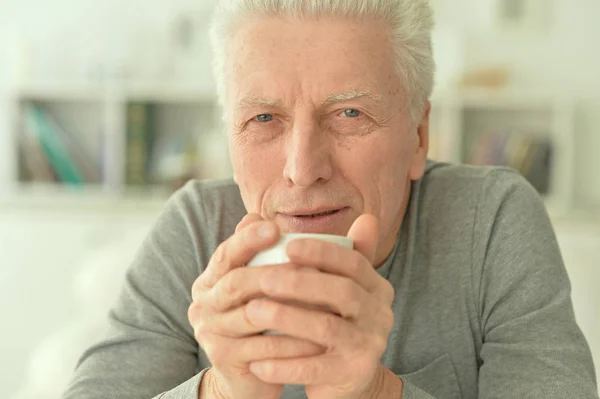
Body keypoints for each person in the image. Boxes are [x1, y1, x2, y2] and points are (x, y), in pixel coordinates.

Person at [62, 1, 599, 398]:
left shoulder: (491, 221)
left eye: (349, 115)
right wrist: (221, 390)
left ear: (417, 137)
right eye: (264, 119)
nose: (303, 170)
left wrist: (376, 392)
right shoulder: (197, 226)